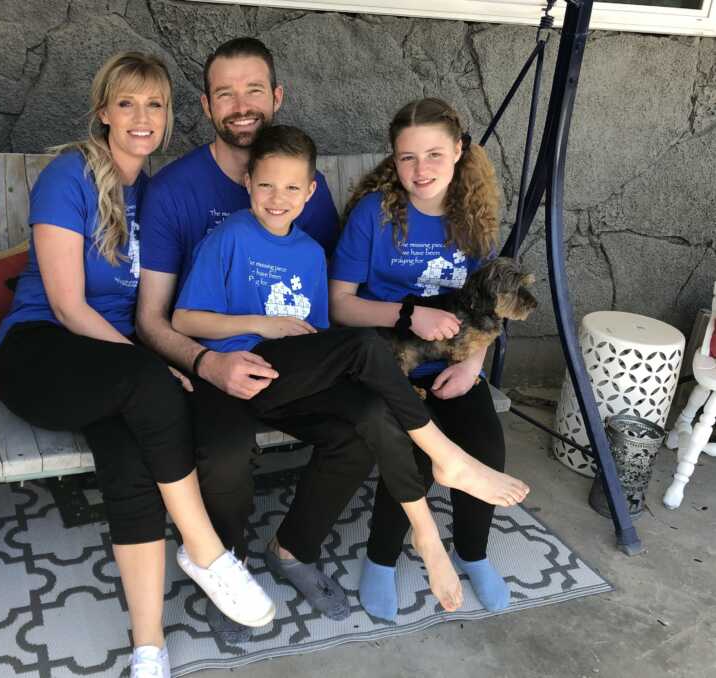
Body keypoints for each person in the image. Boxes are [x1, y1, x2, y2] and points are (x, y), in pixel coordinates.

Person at [0, 52, 274, 678]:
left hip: (116, 369)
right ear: (103, 113)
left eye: (154, 105)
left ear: (170, 116)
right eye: (127, 103)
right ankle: (205, 550)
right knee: (152, 385)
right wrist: (150, 367)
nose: (141, 117)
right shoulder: (70, 176)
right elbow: (66, 307)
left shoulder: (155, 191)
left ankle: (148, 649)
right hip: (42, 351)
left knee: (130, 464)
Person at [172, 124, 530, 614]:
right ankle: (228, 568)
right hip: (233, 365)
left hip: (285, 378)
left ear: (311, 192)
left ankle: (292, 549)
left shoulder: (308, 254)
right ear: (247, 183)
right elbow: (184, 319)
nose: (278, 198)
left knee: (367, 414)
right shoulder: (229, 236)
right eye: (266, 185)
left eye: (292, 187)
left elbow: (318, 339)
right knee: (362, 348)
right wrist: (266, 324)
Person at [137, 38, 368, 640]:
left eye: (254, 90)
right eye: (225, 93)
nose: (241, 105)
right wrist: (208, 364)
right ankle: (227, 566)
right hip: (211, 358)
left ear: (277, 97)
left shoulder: (302, 190)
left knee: (356, 429)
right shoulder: (175, 191)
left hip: (287, 364)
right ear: (208, 104)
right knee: (224, 451)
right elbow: (156, 318)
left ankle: (292, 548)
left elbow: (322, 303)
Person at [329, 97, 515, 621]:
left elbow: (488, 305)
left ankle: (472, 553)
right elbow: (339, 303)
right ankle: (382, 556)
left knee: (483, 442)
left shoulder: (473, 216)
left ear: (459, 150)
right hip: (388, 362)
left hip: (452, 360)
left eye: (434, 154)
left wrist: (473, 364)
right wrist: (408, 314)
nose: (421, 170)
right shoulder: (375, 214)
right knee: (409, 452)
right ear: (394, 159)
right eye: (408, 158)